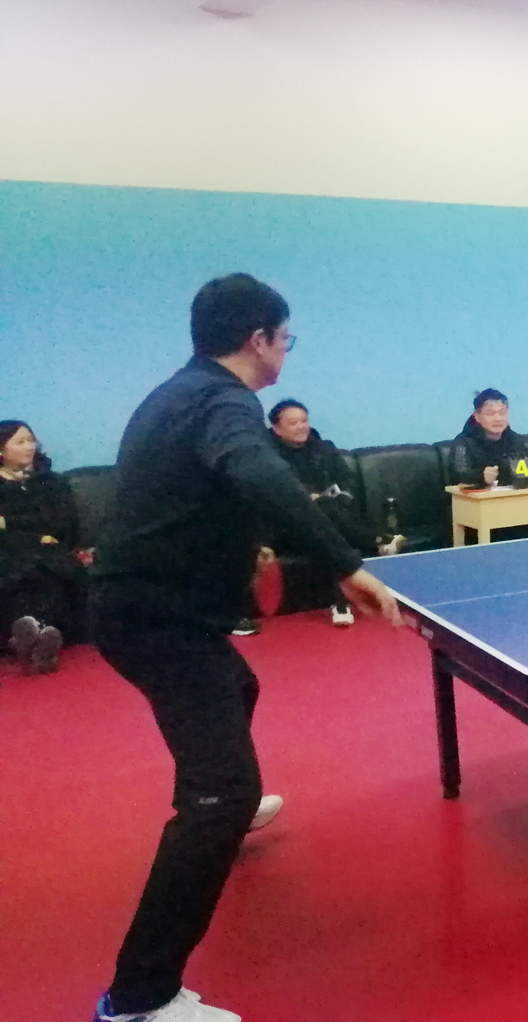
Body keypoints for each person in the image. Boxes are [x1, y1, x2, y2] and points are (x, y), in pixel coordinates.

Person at [88, 274, 400, 1022]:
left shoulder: (181, 392)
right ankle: (138, 999)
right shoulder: (226, 403)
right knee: (218, 794)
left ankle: (229, 802)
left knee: (238, 687)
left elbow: (198, 491)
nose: (286, 350)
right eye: (285, 338)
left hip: (153, 608)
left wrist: (244, 547)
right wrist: (345, 565)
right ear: (258, 339)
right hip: (157, 618)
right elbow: (258, 472)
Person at [266, 399, 404, 628]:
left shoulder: (324, 449)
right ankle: (379, 540)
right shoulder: (266, 456)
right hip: (287, 524)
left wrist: (335, 497)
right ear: (277, 429)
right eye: (293, 423)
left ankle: (340, 602)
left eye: (304, 421)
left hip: (330, 517)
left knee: (326, 518)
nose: (301, 427)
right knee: (322, 515)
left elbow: (347, 482)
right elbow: (273, 494)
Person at [0, 421, 89, 674]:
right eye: (20, 442)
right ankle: (38, 638)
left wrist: (10, 522)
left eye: (31, 440)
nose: (29, 447)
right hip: (10, 552)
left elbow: (63, 523)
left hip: (52, 551)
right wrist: (36, 535)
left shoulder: (51, 482)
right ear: (1, 449)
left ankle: (31, 636)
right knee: (19, 570)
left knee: (51, 570)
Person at [451, 389, 528, 488]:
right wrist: (481, 476)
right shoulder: (463, 442)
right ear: (477, 416)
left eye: (502, 412)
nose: (498, 419)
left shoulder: (516, 440)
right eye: (490, 413)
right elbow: (459, 474)